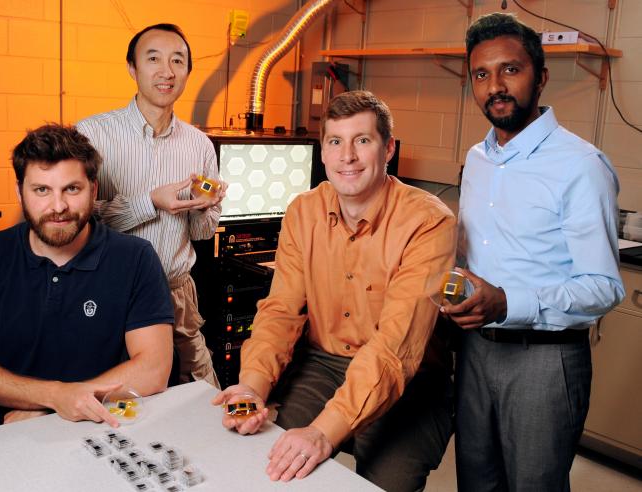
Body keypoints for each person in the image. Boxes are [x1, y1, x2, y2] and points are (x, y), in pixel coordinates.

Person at [212, 91, 457, 490]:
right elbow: (281, 311)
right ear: (322, 152)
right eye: (335, 142)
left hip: (408, 379)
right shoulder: (303, 210)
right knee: (262, 461)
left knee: (381, 485)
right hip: (322, 362)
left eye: (362, 141)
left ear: (388, 148)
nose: (348, 157)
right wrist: (252, 386)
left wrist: (323, 433)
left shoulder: (428, 223)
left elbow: (393, 350)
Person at [441, 13, 625, 492]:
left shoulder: (581, 166)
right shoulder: (478, 159)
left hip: (544, 362)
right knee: (476, 483)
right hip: (477, 353)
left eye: (510, 69)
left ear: (540, 77)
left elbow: (604, 287)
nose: (495, 86)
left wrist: (507, 301)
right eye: (481, 74)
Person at [0, 124, 174, 433]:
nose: (58, 207)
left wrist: (62, 408)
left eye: (72, 189)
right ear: (20, 192)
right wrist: (55, 398)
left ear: (93, 190)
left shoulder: (136, 257)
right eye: (41, 190)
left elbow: (154, 368)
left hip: (100, 419)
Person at [77, 23, 224, 388]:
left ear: (188, 71)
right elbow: (78, 219)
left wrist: (203, 208)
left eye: (178, 61)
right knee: (115, 401)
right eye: (153, 58)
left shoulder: (200, 145)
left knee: (203, 399)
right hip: (109, 294)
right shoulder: (92, 134)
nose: (167, 71)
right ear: (132, 68)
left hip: (176, 295)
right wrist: (150, 202)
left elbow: (203, 234)